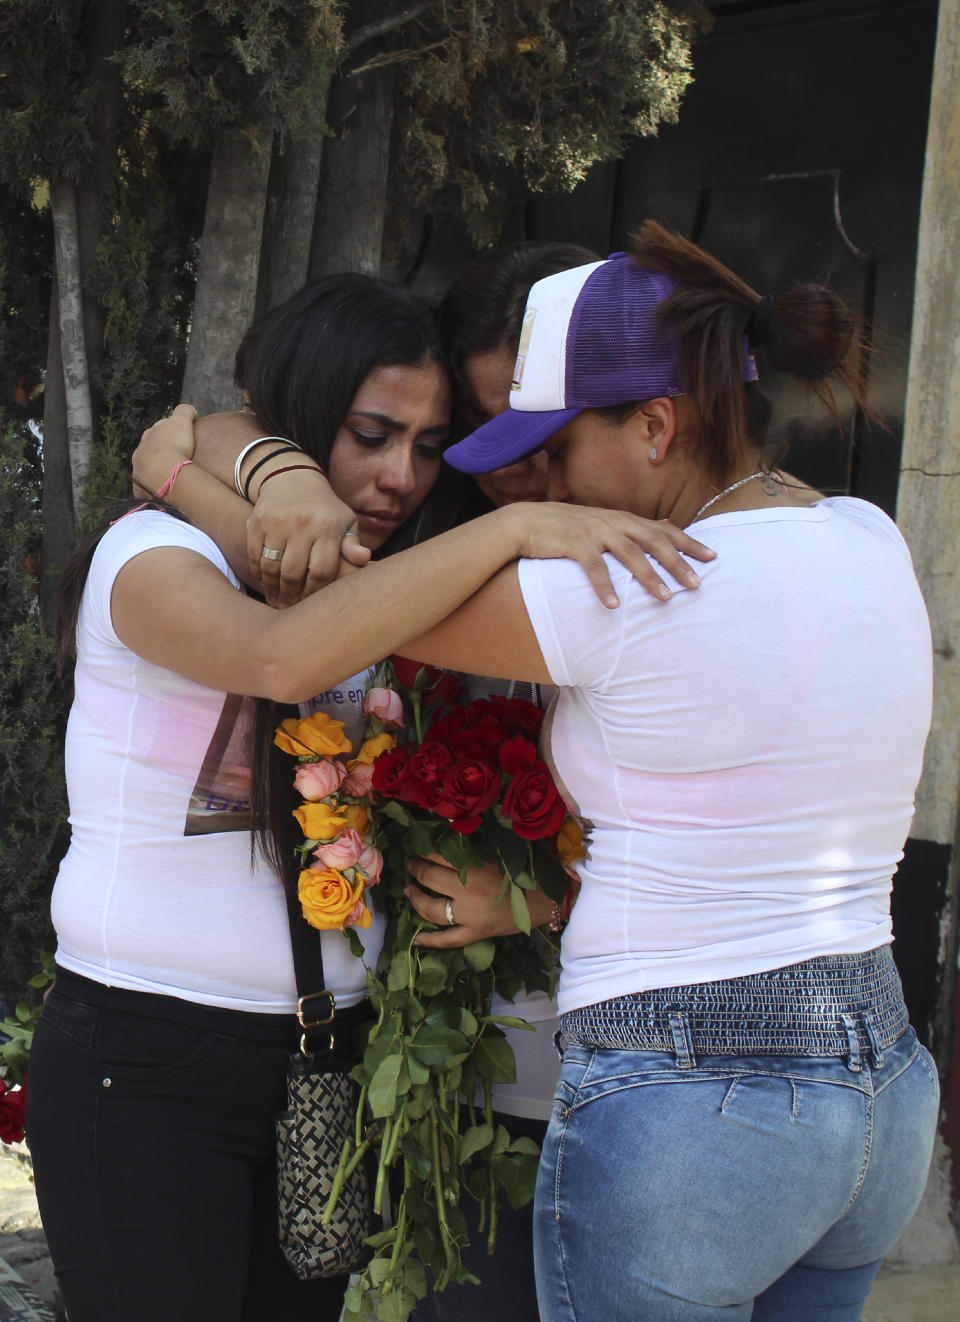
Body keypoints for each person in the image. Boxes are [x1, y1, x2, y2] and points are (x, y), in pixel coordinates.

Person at [27, 271, 710, 1322]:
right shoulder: (152, 551)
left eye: (427, 445)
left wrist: (200, 460)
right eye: (371, 433)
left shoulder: (381, 582)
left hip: (324, 1057)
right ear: (302, 421)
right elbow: (280, 653)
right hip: (145, 1057)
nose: (400, 474)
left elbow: (258, 512)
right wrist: (515, 526)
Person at [391, 222, 939, 1322]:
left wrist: (221, 461)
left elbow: (329, 625)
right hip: (880, 1090)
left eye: (556, 453)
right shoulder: (871, 535)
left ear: (655, 423)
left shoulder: (631, 585)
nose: (544, 483)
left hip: (691, 1102)